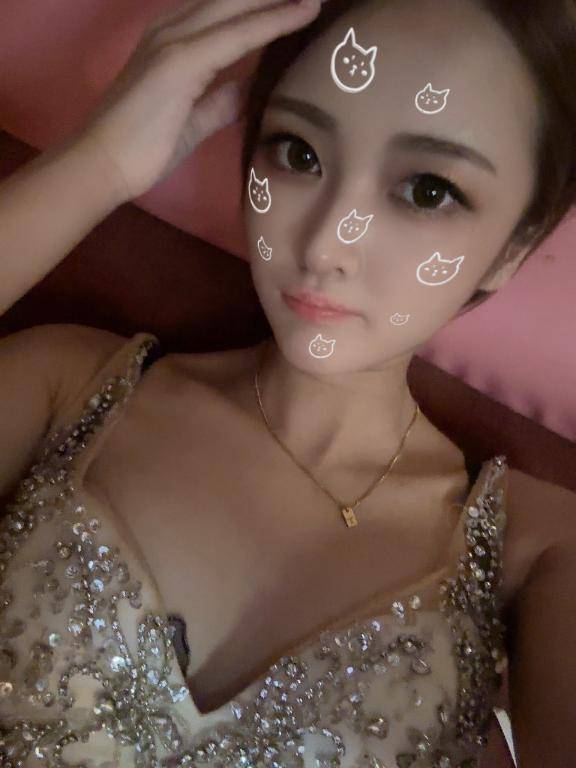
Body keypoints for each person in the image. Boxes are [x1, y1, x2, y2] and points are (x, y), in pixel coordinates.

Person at [0, 0, 575, 766]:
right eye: (298, 153)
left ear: (513, 249)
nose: (327, 241)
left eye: (428, 190)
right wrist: (100, 161)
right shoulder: (70, 385)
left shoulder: (537, 548)